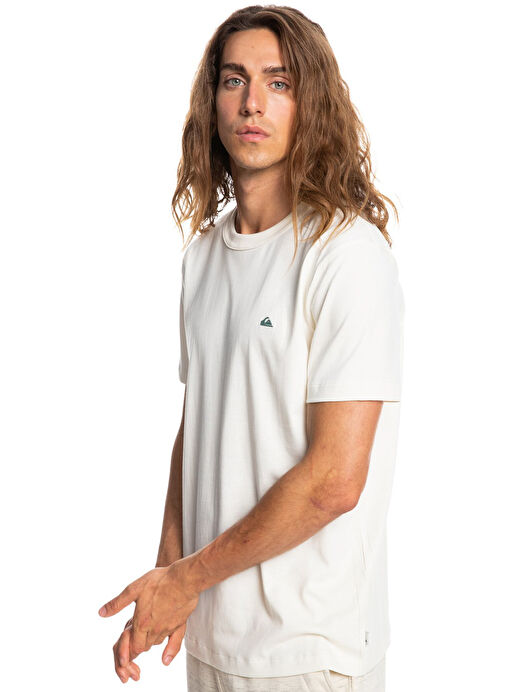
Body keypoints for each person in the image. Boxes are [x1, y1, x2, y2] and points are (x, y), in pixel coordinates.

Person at [97, 6, 405, 691]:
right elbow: (200, 427)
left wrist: (186, 579)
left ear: (311, 103)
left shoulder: (346, 255)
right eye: (234, 80)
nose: (252, 103)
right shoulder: (204, 257)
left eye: (279, 82)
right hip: (211, 638)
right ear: (212, 102)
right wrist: (165, 583)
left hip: (307, 651)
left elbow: (335, 480)